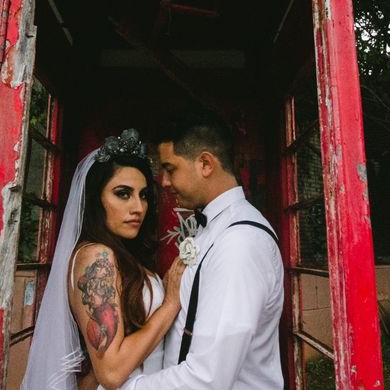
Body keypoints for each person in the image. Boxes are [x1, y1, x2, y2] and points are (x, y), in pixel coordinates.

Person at [121, 111, 284, 389]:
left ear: (205, 164)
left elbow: (208, 378)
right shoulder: (215, 229)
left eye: (170, 169)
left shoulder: (239, 244)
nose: (164, 182)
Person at [23, 129, 185, 390]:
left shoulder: (123, 254)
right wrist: (169, 305)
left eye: (143, 195)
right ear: (96, 199)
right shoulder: (97, 257)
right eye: (123, 193)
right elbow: (111, 372)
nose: (138, 207)